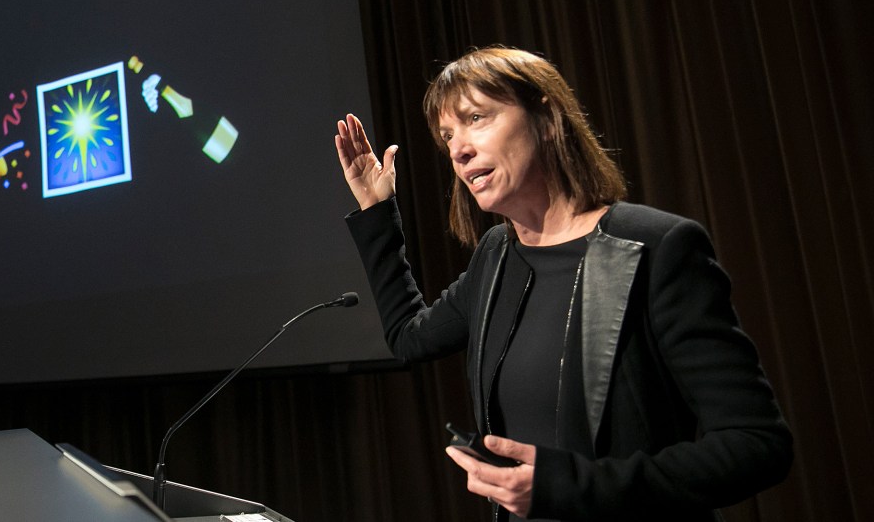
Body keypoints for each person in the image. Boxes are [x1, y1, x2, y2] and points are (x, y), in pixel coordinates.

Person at [335, 46, 792, 521]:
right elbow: (410, 337)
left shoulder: (655, 248)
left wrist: (573, 485)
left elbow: (756, 445)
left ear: (546, 117)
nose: (458, 149)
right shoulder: (497, 256)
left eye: (477, 118)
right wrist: (376, 214)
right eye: (447, 135)